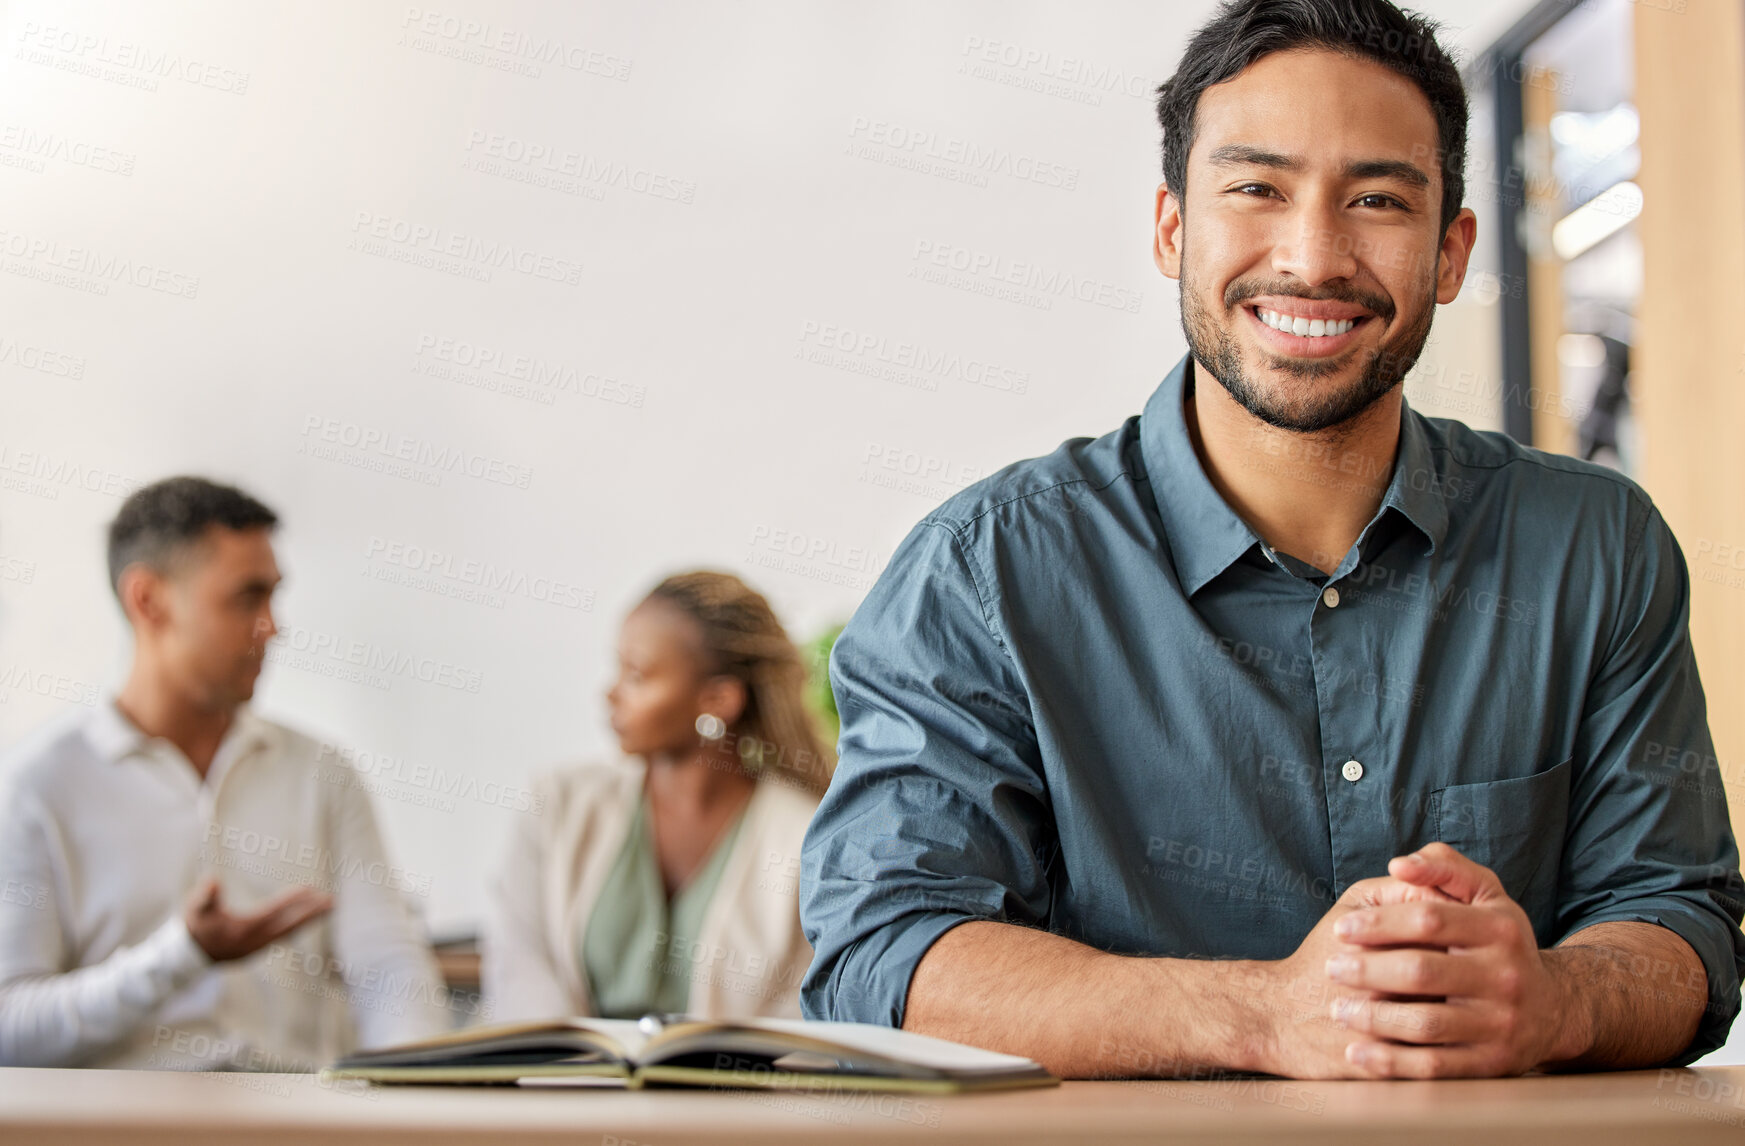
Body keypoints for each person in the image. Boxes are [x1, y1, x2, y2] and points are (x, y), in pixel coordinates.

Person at [799, 0, 1744, 1080]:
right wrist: (1264, 1014)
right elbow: (884, 956)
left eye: (1376, 199)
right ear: (1170, 229)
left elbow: (1678, 919)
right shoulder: (984, 573)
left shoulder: (1591, 547)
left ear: (1448, 252)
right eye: (1255, 188)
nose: (1312, 258)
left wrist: (1553, 1000)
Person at [0, 476, 448, 1069]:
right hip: (110, 1129)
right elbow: (10, 1030)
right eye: (247, 597)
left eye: (273, 597)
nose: (273, 627)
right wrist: (182, 954)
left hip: (296, 1126)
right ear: (149, 601)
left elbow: (390, 971)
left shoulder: (321, 773)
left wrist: (423, 1111)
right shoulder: (38, 785)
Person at [483, 571, 831, 1021]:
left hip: (731, 1089)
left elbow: (803, 1012)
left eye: (637, 675)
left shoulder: (804, 836)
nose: (609, 693)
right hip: (564, 1080)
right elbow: (520, 964)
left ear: (718, 699)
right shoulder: (558, 804)